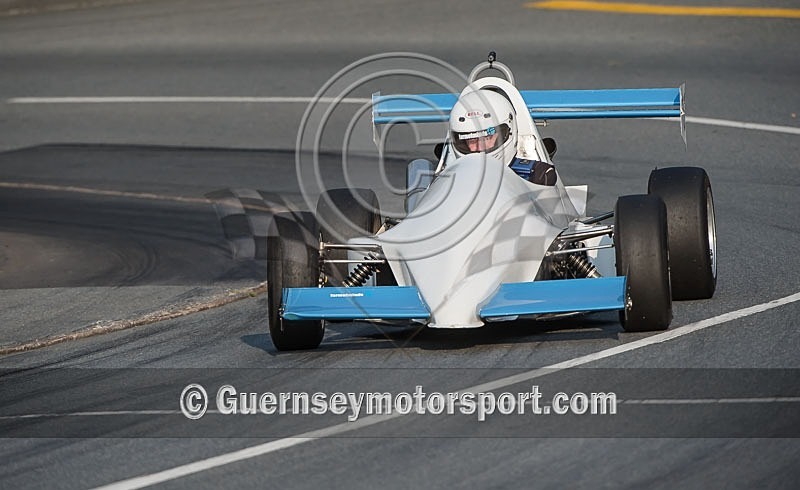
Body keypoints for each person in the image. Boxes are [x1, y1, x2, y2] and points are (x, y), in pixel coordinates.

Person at [449, 89, 557, 186]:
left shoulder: (538, 174)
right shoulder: (448, 179)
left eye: (486, 138)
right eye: (471, 140)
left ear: (509, 132)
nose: (479, 147)